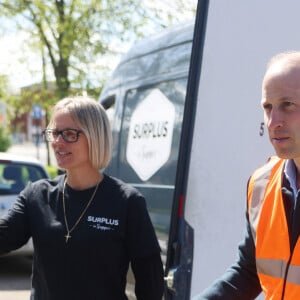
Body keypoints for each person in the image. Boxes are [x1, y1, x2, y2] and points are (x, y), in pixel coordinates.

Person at [0, 95, 164, 300]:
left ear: (95, 136)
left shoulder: (127, 201)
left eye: (69, 134)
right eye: (55, 133)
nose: (58, 142)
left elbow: (151, 283)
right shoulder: (37, 195)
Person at [195, 51, 300, 300]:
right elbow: (248, 273)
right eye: (268, 107)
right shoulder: (261, 184)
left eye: (288, 105)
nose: (274, 121)